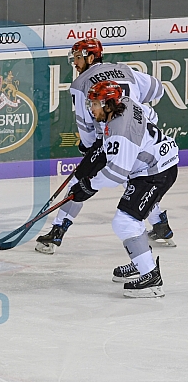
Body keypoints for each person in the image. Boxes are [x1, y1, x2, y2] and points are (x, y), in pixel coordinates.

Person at [35, 38, 173, 254]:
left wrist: (89, 149)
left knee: (82, 180)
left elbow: (85, 123)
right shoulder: (124, 70)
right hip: (144, 131)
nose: (75, 63)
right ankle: (161, 226)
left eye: (78, 58)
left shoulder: (80, 84)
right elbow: (157, 90)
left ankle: (57, 232)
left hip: (113, 136)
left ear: (91, 57)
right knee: (138, 177)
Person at [67, 81, 178, 297]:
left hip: (155, 173)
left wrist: (88, 186)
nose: (91, 109)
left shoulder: (120, 132)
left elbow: (116, 174)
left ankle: (151, 279)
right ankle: (141, 260)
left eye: (95, 104)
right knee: (130, 219)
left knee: (125, 220)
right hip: (153, 165)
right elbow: (150, 116)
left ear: (109, 105)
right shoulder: (127, 102)